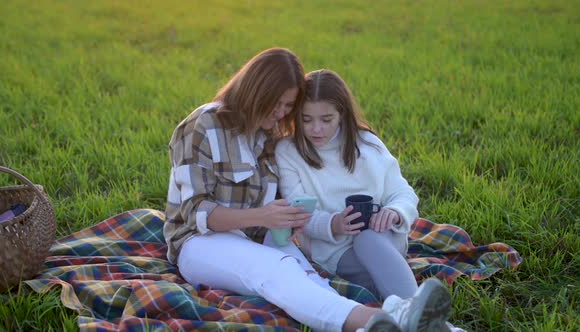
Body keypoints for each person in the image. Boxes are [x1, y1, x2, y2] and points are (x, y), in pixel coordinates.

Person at [163, 48, 450, 332]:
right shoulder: (205, 124)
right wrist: (263, 216)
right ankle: (379, 320)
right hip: (198, 240)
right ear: (253, 92)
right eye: (276, 104)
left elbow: (288, 201)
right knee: (279, 268)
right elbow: (195, 212)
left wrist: (288, 220)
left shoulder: (269, 136)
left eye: (288, 106)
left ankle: (433, 326)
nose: (282, 113)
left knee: (310, 278)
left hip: (259, 237)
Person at [273, 69, 452, 331]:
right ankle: (420, 317)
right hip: (336, 252)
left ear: (342, 114)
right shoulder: (289, 152)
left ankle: (410, 313)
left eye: (326, 119)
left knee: (368, 237)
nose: (316, 129)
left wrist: (394, 212)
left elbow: (403, 192)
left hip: (384, 241)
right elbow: (297, 212)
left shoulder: (367, 144)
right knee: (378, 275)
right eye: (306, 119)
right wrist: (333, 224)